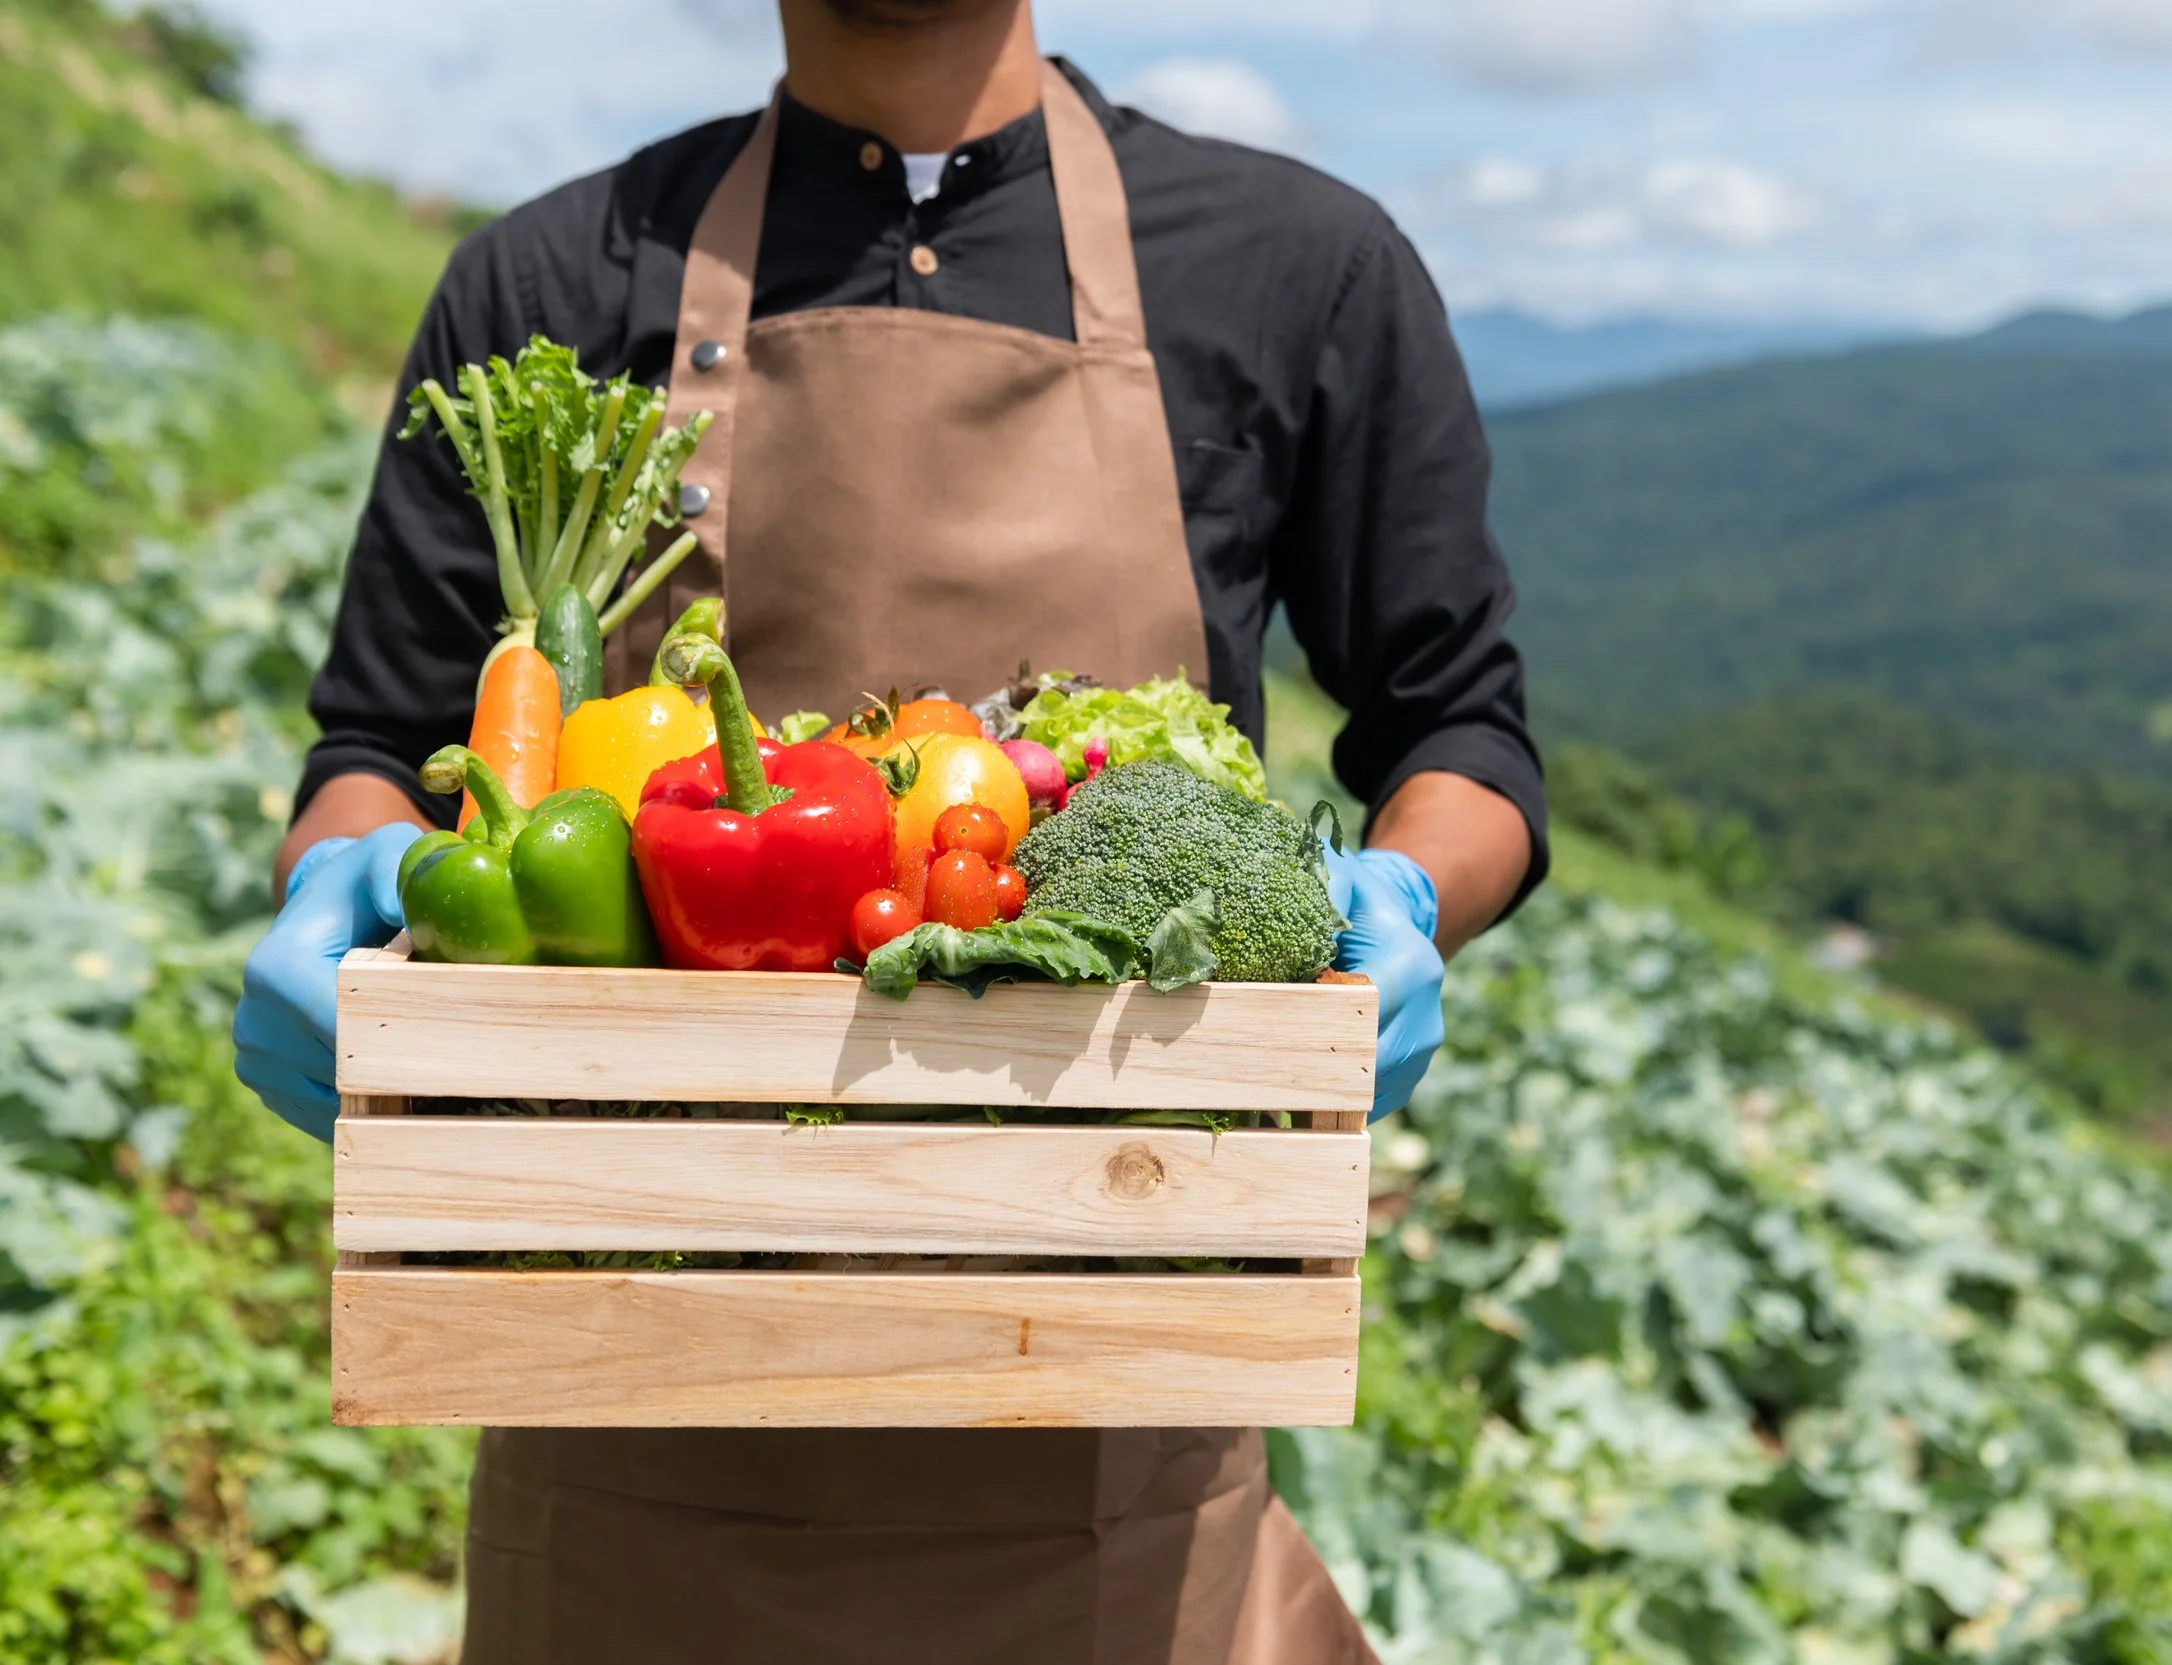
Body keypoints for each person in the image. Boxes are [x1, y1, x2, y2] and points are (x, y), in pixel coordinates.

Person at [233, 0, 1546, 1658]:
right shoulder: (552, 282)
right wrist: (335, 889)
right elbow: (374, 741)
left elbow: (1462, 729)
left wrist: (1409, 890)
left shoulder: (1300, 268)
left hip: (1120, 1433)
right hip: (628, 1404)